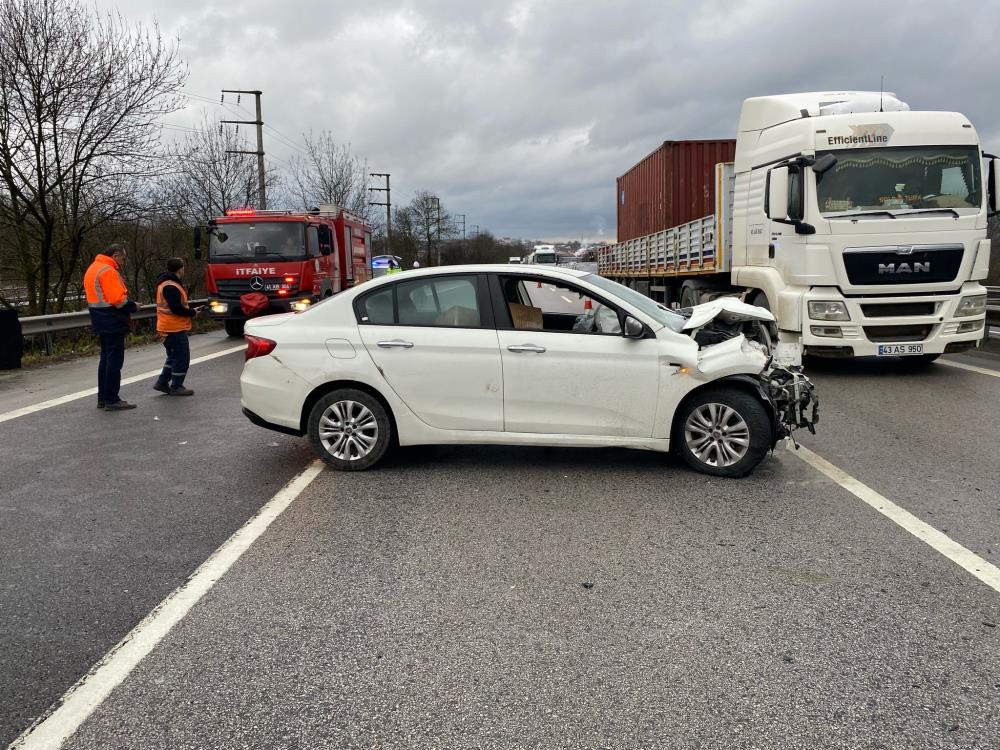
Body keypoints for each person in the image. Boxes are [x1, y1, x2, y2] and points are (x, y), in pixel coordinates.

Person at [84, 243, 138, 411]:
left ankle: (103, 398)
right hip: (112, 319)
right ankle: (112, 399)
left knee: (105, 360)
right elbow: (118, 300)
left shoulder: (93, 268)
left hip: (99, 319)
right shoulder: (108, 271)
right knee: (114, 361)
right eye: (123, 258)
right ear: (115, 255)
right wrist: (133, 306)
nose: (123, 262)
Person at [153, 258, 199, 396]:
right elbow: (176, 308)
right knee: (182, 357)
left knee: (173, 356)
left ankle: (162, 383)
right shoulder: (171, 286)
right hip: (173, 328)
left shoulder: (167, 283)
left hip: (168, 326)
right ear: (180, 269)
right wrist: (192, 312)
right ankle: (177, 385)